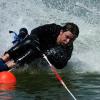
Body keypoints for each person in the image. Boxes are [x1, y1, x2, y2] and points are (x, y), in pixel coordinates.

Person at [0, 23, 79, 72]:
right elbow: (35, 32)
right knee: (29, 41)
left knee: (33, 52)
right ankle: (3, 59)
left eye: (72, 39)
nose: (68, 41)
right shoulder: (53, 28)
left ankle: (6, 67)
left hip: (40, 57)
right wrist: (35, 42)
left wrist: (52, 56)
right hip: (33, 44)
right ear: (61, 32)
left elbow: (62, 65)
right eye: (67, 37)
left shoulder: (68, 48)